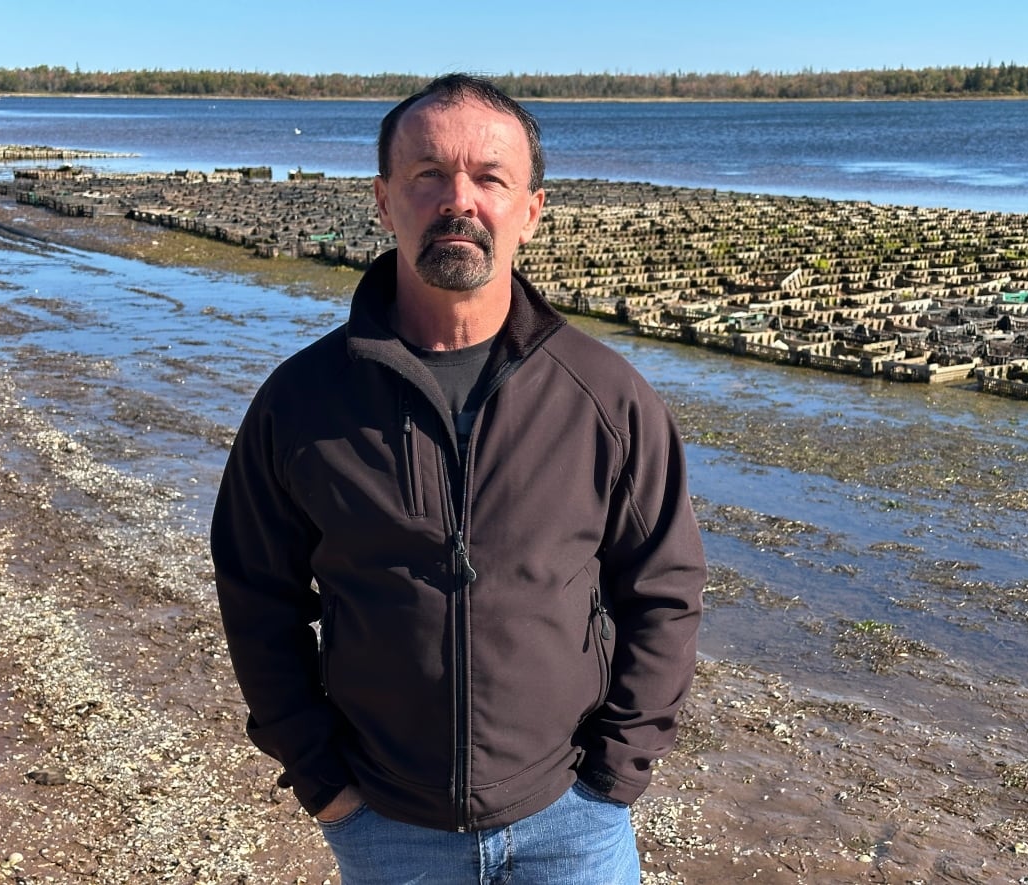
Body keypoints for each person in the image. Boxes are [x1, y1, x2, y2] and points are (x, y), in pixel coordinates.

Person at [210, 73, 705, 884]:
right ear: (383, 200)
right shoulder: (301, 404)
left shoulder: (605, 397)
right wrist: (321, 776)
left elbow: (666, 587)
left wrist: (617, 771)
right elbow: (255, 593)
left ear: (532, 211)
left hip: (571, 820)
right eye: (428, 174)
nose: (458, 199)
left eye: (489, 177)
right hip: (386, 821)